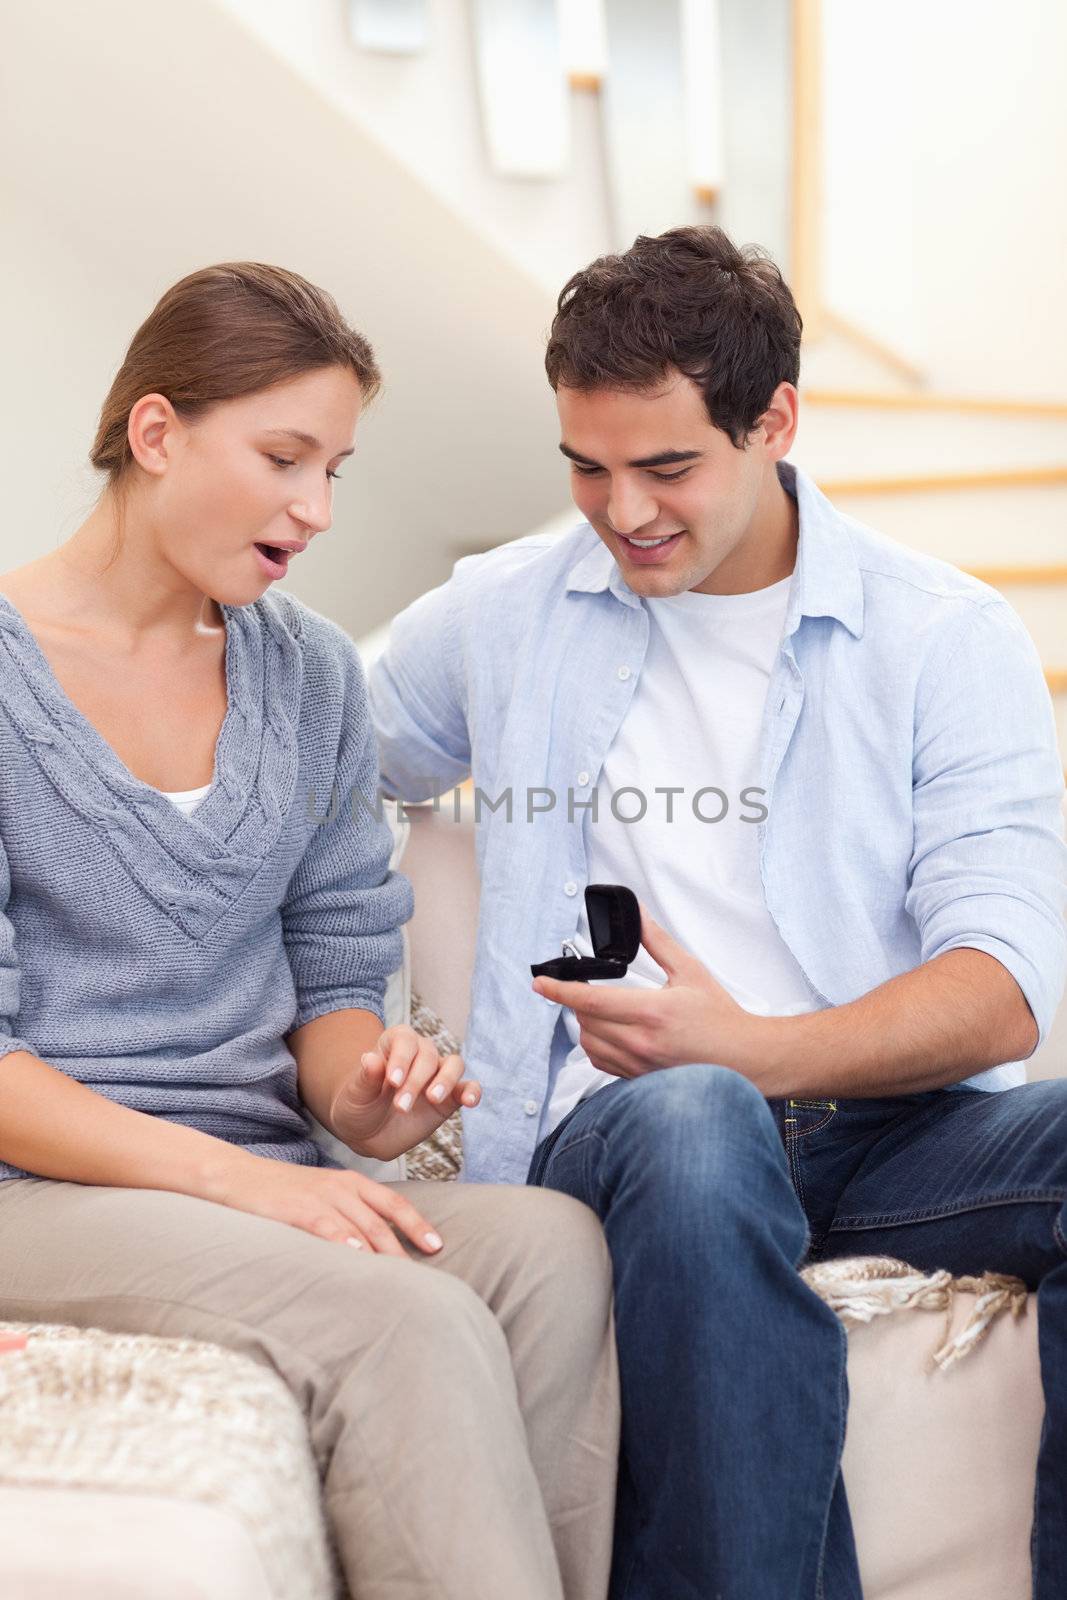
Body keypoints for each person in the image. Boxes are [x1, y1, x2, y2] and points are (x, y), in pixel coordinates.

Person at [369, 225, 1067, 1598]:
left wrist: (751, 1048)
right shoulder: (504, 614)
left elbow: (1005, 984)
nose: (623, 509)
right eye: (587, 466)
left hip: (893, 1137)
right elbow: (301, 748)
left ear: (776, 422)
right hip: (631, 1139)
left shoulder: (942, 638)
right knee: (699, 1121)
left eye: (668, 466)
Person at [0, 261, 619, 1600]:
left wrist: (370, 1094)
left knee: (554, 1251)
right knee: (407, 1321)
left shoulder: (314, 676)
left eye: (334, 467)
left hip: (249, 1176)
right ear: (157, 433)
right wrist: (248, 1184)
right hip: (41, 1193)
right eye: (285, 457)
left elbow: (334, 988)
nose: (317, 509)